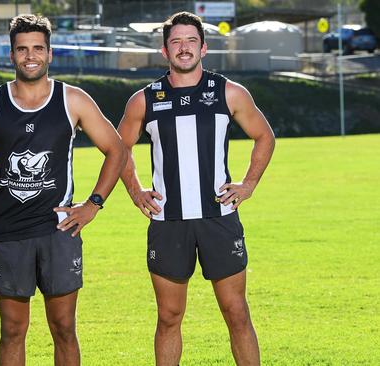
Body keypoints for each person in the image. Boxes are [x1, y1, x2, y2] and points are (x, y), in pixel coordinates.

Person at [0, 14, 126, 366]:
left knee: (63, 328)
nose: (30, 56)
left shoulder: (73, 100)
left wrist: (93, 204)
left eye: (38, 48)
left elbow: (116, 150)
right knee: (12, 330)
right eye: (22, 49)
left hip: (58, 231)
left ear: (50, 53)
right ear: (11, 55)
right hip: (6, 234)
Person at [117, 11, 275, 366]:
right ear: (164, 50)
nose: (183, 48)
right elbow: (119, 148)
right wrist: (136, 190)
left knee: (237, 314)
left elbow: (265, 136)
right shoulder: (145, 99)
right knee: (169, 317)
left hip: (219, 219)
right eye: (176, 42)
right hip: (169, 222)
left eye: (191, 41)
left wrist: (248, 184)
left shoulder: (228, 92)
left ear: (203, 48)